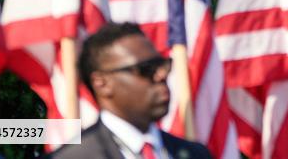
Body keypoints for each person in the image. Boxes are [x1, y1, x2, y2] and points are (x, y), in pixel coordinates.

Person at [49, 23, 212, 159]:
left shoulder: (196, 154)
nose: (161, 75)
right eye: (146, 69)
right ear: (102, 83)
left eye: (161, 64)